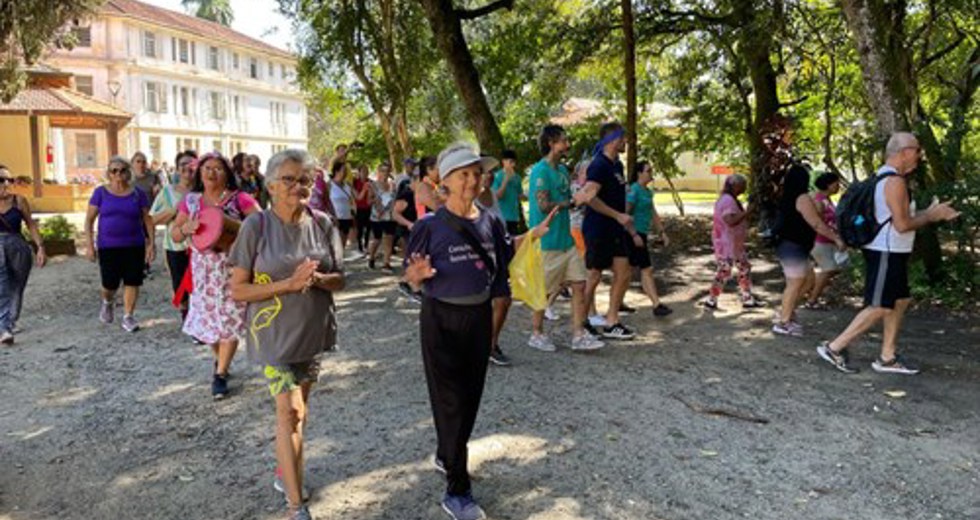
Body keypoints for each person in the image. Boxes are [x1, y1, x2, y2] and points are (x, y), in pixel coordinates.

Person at [229, 149, 345, 520]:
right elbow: (238, 291)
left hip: (312, 331)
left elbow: (340, 278)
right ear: (272, 185)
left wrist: (319, 279)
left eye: (306, 179)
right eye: (291, 179)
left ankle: (285, 472)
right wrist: (289, 284)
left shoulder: (324, 223)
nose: (300, 186)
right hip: (273, 334)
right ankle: (297, 506)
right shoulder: (256, 226)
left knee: (300, 412)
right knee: (290, 412)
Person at [403, 142, 513, 520]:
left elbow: (501, 271)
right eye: (464, 174)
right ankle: (457, 490)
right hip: (440, 319)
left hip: (478, 318)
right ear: (445, 182)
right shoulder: (428, 226)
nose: (473, 180)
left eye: (477, 173)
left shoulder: (491, 220)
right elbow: (410, 275)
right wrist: (415, 278)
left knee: (469, 397)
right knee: (448, 399)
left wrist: (497, 320)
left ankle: (446, 451)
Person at [817, 133, 959, 375]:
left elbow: (896, 218)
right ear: (904, 152)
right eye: (917, 150)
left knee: (899, 300)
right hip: (886, 251)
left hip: (893, 250)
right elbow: (902, 224)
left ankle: (888, 357)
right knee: (880, 305)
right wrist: (933, 216)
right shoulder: (894, 182)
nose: (920, 156)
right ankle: (834, 347)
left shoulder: (887, 179)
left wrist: (928, 211)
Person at [171, 152, 260, 399]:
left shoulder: (239, 198)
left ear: (227, 173)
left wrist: (231, 228)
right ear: (200, 173)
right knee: (207, 322)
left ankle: (220, 374)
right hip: (203, 271)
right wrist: (184, 228)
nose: (212, 172)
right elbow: (175, 234)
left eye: (218, 168)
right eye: (207, 168)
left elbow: (259, 224)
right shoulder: (191, 201)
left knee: (230, 319)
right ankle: (219, 360)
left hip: (233, 266)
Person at [526, 125, 605, 353]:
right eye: (563, 141)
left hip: (566, 240)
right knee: (545, 290)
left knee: (580, 284)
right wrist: (571, 202)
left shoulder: (561, 170)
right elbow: (543, 205)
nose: (567, 145)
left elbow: (569, 197)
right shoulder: (541, 172)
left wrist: (582, 196)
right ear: (551, 143)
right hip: (548, 240)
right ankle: (537, 333)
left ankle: (578, 335)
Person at [772, 164, 844, 337]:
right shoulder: (802, 198)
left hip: (798, 246)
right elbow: (816, 223)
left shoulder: (789, 196)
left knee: (809, 280)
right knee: (795, 283)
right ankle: (783, 322)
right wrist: (836, 238)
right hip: (792, 246)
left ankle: (786, 311)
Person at [85, 156, 155, 333]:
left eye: (122, 170)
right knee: (109, 283)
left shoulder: (137, 193)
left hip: (134, 244)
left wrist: (151, 244)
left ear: (128, 172)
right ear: (108, 174)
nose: (118, 174)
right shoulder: (100, 193)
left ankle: (128, 316)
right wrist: (89, 245)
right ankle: (107, 302)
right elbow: (89, 220)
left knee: (133, 280)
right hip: (108, 245)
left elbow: (147, 219)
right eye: (114, 170)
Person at [580, 122, 636, 340]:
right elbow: (589, 198)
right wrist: (617, 215)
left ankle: (612, 321)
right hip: (598, 228)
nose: (625, 142)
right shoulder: (598, 165)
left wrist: (626, 225)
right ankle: (582, 322)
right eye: (623, 138)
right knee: (594, 276)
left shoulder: (617, 166)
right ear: (613, 139)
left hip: (616, 229)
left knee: (624, 273)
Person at [0, 165, 45, 344]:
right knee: (1, 288)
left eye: (8, 180)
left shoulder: (19, 201)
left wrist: (40, 247)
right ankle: (4, 328)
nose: (5, 183)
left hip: (18, 246)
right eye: (1, 180)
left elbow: (30, 225)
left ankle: (10, 321)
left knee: (17, 286)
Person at [702, 175, 761, 310]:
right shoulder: (728, 201)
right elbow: (730, 220)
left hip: (734, 245)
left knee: (744, 268)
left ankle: (747, 298)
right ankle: (711, 299)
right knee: (724, 271)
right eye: (743, 185)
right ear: (735, 186)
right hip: (727, 245)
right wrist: (747, 212)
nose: (745, 188)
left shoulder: (729, 199)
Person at [151, 150, 196, 321]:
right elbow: (153, 219)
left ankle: (198, 321)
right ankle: (186, 317)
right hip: (176, 246)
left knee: (200, 286)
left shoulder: (204, 191)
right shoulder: (167, 192)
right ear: (177, 169)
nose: (187, 168)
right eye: (183, 164)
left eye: (192, 164)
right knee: (181, 286)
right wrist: (176, 209)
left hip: (202, 247)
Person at [626, 161, 672, 317]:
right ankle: (656, 304)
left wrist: (662, 232)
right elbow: (626, 214)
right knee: (647, 269)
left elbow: (653, 213)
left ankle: (618, 301)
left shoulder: (647, 192)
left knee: (628, 271)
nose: (651, 173)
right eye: (648, 170)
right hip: (634, 235)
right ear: (639, 173)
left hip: (642, 234)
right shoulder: (634, 190)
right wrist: (633, 234)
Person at [805, 172, 846, 308]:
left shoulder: (827, 199)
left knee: (835, 268)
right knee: (829, 268)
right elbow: (817, 222)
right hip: (819, 240)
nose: (838, 186)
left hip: (829, 241)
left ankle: (812, 291)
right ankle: (812, 300)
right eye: (836, 183)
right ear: (828, 184)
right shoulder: (818, 200)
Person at [367, 163, 397, 270]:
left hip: (390, 216)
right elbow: (368, 201)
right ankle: (371, 257)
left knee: (389, 238)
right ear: (378, 172)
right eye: (383, 170)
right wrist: (375, 200)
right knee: (377, 239)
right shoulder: (373, 185)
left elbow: (394, 200)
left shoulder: (392, 185)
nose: (385, 173)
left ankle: (386, 263)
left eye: (387, 170)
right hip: (377, 216)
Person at [491, 149, 523, 237]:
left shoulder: (517, 178)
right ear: (503, 162)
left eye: (514, 162)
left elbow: (520, 195)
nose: (513, 165)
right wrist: (505, 180)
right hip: (501, 217)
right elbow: (497, 196)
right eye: (510, 162)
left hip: (514, 217)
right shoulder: (497, 176)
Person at [353, 164, 373, 253]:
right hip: (359, 208)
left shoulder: (371, 182)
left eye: (367, 171)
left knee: (368, 228)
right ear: (359, 172)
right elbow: (356, 196)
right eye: (363, 171)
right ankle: (360, 244)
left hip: (369, 208)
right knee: (360, 228)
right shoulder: (355, 182)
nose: (365, 173)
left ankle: (366, 244)